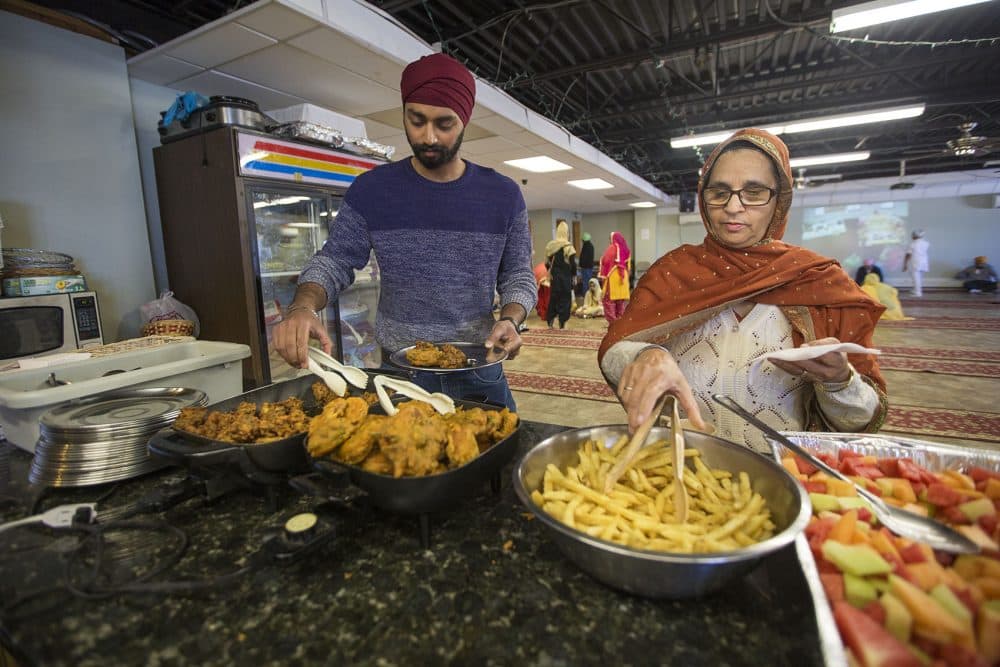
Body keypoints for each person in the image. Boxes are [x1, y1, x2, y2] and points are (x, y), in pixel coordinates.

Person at [272, 52, 535, 411]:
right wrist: (302, 306)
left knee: (495, 459)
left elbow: (518, 273)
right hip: (400, 372)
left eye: (445, 124)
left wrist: (511, 318)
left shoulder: (503, 195)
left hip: (478, 366)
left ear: (465, 121)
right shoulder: (372, 190)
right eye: (416, 120)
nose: (428, 137)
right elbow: (334, 261)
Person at [597, 128, 887, 453]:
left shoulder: (818, 281)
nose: (733, 207)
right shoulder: (672, 272)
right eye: (719, 192)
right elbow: (616, 347)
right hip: (682, 472)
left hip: (781, 480)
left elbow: (862, 420)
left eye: (754, 192)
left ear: (780, 200)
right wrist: (643, 354)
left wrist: (838, 382)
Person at [544, 219, 577, 328]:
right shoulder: (569, 247)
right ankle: (562, 322)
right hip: (565, 278)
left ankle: (550, 320)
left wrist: (552, 271)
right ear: (566, 232)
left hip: (555, 277)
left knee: (554, 298)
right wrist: (574, 276)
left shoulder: (550, 246)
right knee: (565, 299)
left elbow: (547, 264)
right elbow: (573, 264)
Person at [599, 232, 631, 322]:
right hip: (623, 278)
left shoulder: (612, 248)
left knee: (608, 302)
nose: (610, 241)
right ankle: (620, 324)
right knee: (620, 303)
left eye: (610, 239)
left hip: (613, 278)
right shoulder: (626, 249)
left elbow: (605, 260)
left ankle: (613, 324)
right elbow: (628, 267)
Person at [902, 230, 929, 297]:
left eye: (912, 235)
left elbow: (908, 255)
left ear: (914, 236)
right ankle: (916, 289)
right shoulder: (926, 243)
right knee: (919, 277)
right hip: (923, 262)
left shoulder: (913, 244)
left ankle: (918, 292)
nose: (911, 236)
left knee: (916, 278)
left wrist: (905, 264)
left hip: (915, 262)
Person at [577, 232, 596, 297]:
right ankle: (590, 295)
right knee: (589, 281)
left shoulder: (586, 246)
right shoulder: (591, 246)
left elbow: (583, 257)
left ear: (584, 240)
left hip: (585, 267)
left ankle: (585, 295)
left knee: (585, 282)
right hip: (589, 267)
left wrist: (580, 265)